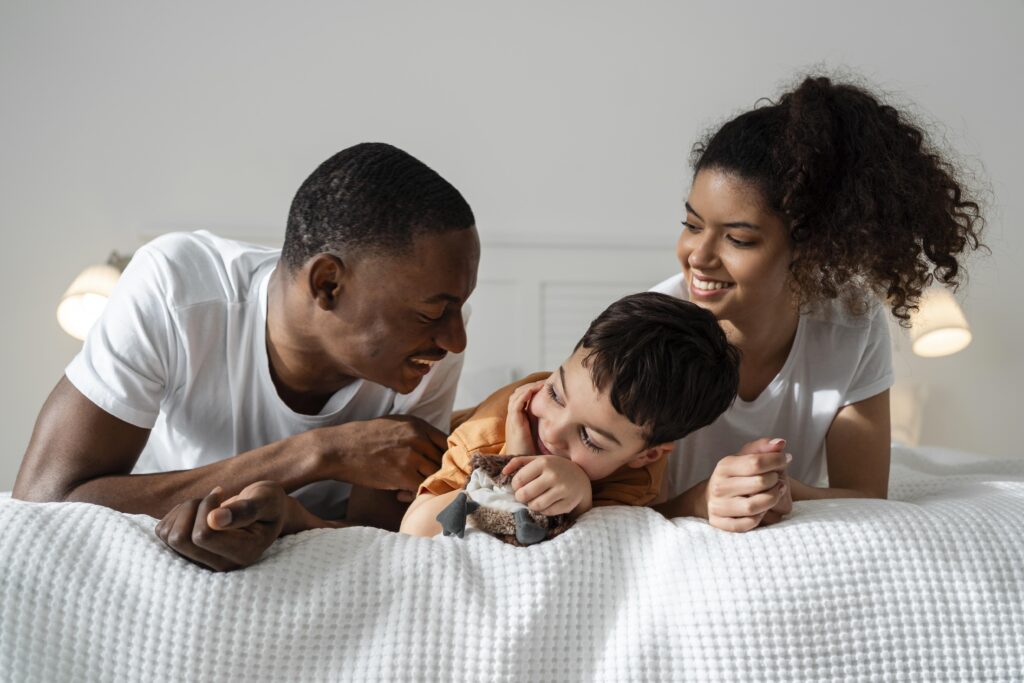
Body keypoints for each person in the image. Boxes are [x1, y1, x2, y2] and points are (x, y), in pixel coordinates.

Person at [13, 142, 481, 570]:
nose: (456, 340)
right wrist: (318, 453)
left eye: (459, 308)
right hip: (150, 548)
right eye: (432, 312)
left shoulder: (427, 354)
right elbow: (40, 501)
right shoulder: (178, 289)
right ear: (327, 284)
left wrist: (293, 521)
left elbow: (388, 542)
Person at [652, 75, 985, 532]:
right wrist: (701, 499)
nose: (699, 256)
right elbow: (606, 506)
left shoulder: (852, 325)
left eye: (738, 239)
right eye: (692, 225)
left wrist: (781, 489)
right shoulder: (645, 331)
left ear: (808, 250)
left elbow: (865, 493)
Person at [400, 292, 741, 537]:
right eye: (555, 394)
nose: (552, 432)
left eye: (589, 438)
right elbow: (414, 528)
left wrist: (583, 501)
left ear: (646, 454)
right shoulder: (493, 428)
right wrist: (508, 468)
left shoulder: (640, 474)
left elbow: (619, 538)